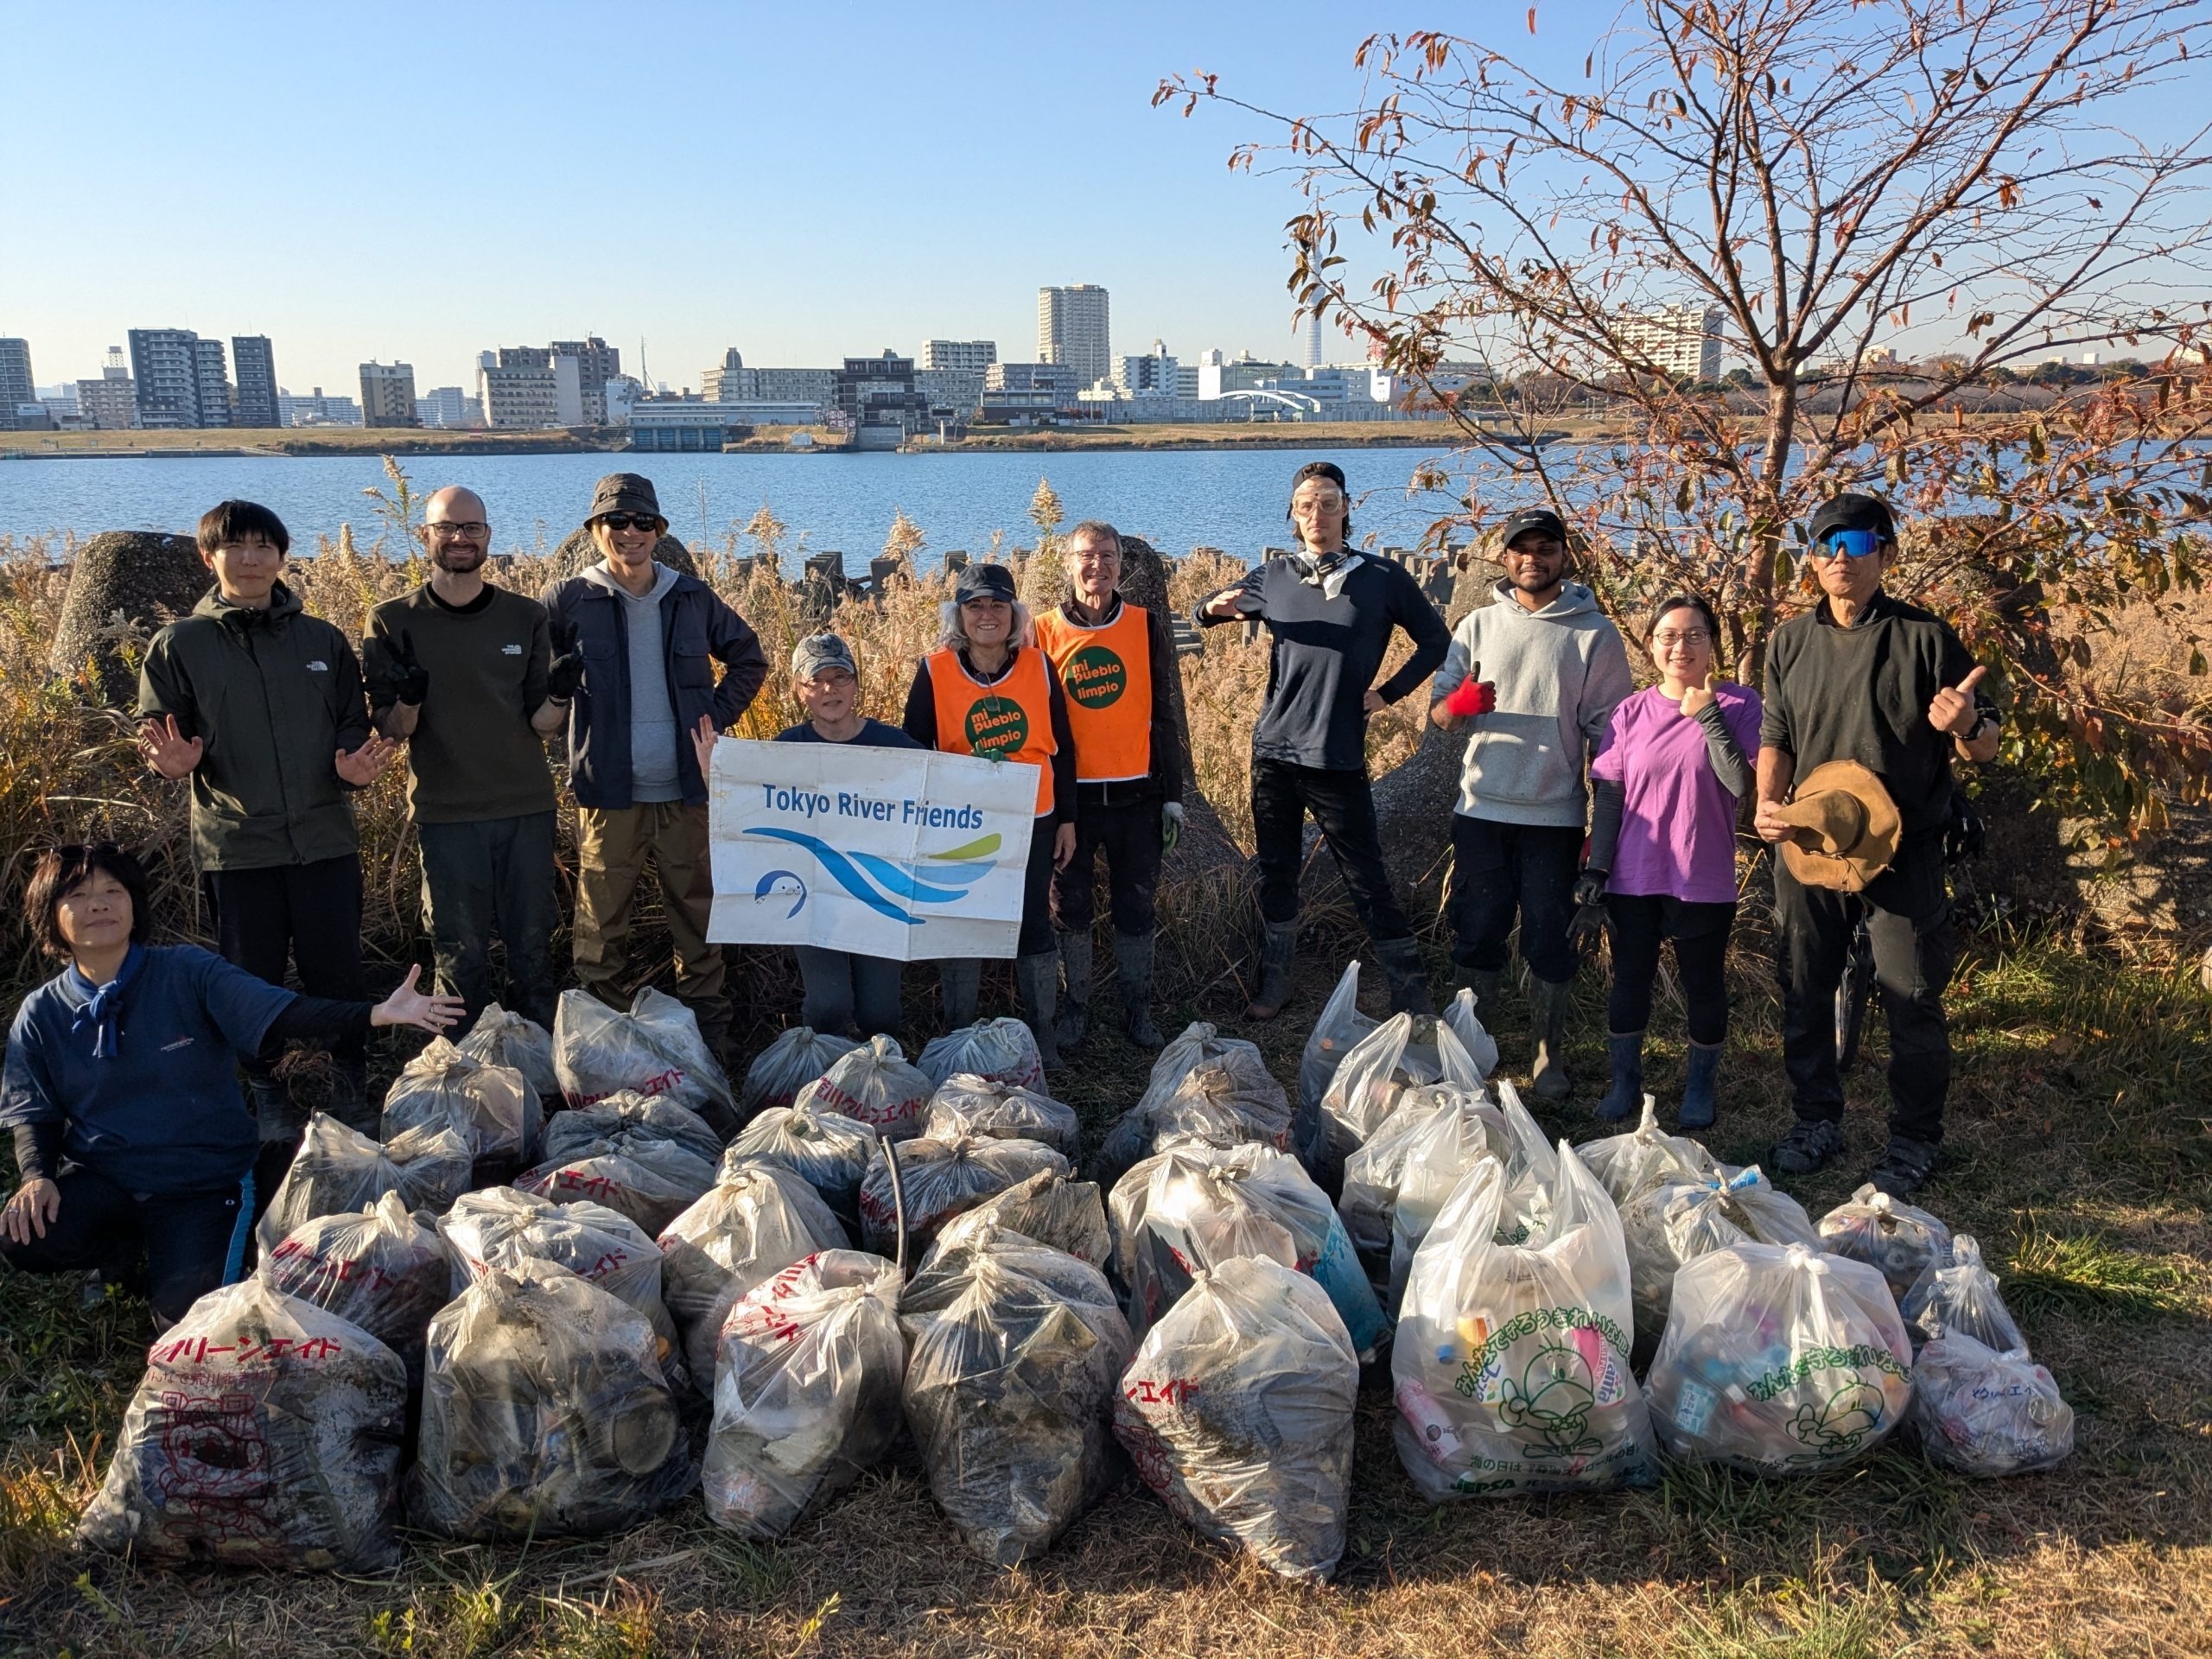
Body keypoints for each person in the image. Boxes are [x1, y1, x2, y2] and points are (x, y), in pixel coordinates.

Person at [1, 842, 461, 1326]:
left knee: (185, 1323)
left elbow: (283, 1011)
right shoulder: (41, 1012)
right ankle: (127, 1248)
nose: (99, 904)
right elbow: (35, 1111)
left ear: (134, 906)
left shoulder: (186, 972)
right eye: (77, 894)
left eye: (113, 891)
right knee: (24, 1235)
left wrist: (375, 1013)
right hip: (109, 1178)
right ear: (51, 917)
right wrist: (37, 1176)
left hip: (203, 1180)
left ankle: (220, 1230)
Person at [1755, 492, 1999, 1196]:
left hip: (1906, 848)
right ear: (1809, 559)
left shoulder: (1926, 639)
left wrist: (1965, 726)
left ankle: (1914, 1140)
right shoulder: (1790, 642)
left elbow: (1986, 747)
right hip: (1810, 843)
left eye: (1857, 545)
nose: (1840, 559)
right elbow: (1776, 738)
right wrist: (1769, 805)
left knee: (1912, 998)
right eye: (1826, 544)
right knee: (1804, 986)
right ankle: (1814, 1119)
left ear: (1886, 556)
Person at [136, 499, 400, 1138]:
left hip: (324, 838)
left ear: (283, 557)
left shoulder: (321, 641)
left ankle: (347, 1085)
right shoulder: (180, 644)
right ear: (210, 557)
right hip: (237, 846)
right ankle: (268, 1090)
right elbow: (159, 736)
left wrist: (355, 766)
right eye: (235, 547)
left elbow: (350, 725)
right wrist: (171, 765)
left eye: (263, 546)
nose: (250, 559)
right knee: (248, 981)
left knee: (335, 971)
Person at [1195, 461, 1451, 1019]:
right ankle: (1276, 981)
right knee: (1277, 869)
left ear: (1347, 509)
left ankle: (1409, 988)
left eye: (1328, 502)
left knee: (1366, 872)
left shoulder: (1381, 578)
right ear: (1292, 513)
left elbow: (1435, 642)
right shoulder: (1275, 575)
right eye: (1306, 503)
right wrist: (1210, 607)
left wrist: (1387, 695)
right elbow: (1208, 611)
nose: (1317, 513)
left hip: (1336, 753)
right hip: (1274, 752)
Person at [541, 474, 768, 1063]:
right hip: (607, 796)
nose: (630, 533)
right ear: (596, 531)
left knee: (698, 920)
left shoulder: (691, 597)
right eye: (617, 522)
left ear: (659, 532)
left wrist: (713, 720)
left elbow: (750, 658)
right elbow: (533, 692)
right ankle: (606, 1047)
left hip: (686, 794)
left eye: (643, 523)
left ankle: (707, 1045)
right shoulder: (566, 601)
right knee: (599, 928)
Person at [1428, 506, 1631, 1096]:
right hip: (1481, 810)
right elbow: (1439, 717)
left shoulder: (1595, 634)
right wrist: (1461, 705)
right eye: (1522, 548)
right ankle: (1469, 1048)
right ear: (1504, 557)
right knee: (1476, 931)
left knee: (1550, 937)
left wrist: (1603, 826)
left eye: (1546, 548)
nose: (1532, 558)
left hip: (1554, 815)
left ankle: (1549, 1056)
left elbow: (1609, 740)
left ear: (1565, 556)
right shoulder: (1477, 627)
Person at [362, 486, 568, 1031]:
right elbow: (389, 731)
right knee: (458, 951)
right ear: (424, 535)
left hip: (525, 806)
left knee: (532, 944)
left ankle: (543, 1067)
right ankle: (459, 1068)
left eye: (472, 528)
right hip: (446, 812)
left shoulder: (524, 617)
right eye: (447, 528)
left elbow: (540, 725)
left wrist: (562, 695)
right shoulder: (391, 621)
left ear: (488, 538)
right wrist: (407, 700)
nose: (460, 538)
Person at [1577, 594, 1759, 1127]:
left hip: (1702, 874)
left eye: (1695, 635)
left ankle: (1698, 1090)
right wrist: (1597, 869)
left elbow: (1739, 784)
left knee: (1704, 983)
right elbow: (1609, 798)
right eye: (1669, 636)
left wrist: (1707, 716)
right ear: (1652, 644)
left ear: (1712, 644)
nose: (1682, 646)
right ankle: (1623, 1085)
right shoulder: (1629, 712)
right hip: (1635, 874)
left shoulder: (1742, 706)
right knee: (1629, 979)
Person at [700, 632, 920, 1039]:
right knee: (829, 1007)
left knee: (881, 1017)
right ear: (799, 690)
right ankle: (823, 1073)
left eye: (840, 677)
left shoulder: (895, 745)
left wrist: (990, 775)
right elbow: (747, 813)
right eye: (815, 680)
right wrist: (714, 775)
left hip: (878, 898)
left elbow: (944, 798)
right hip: (814, 901)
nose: (828, 689)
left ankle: (876, 1076)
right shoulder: (786, 749)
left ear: (856, 684)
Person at [902, 563, 1077, 1065]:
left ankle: (1042, 1035)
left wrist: (1067, 818)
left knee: (1033, 923)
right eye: (975, 605)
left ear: (1014, 614)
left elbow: (1063, 747)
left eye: (998, 605)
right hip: (964, 824)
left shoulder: (1040, 666)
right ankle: (962, 1038)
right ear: (958, 615)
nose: (987, 615)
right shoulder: (934, 671)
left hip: (1035, 818)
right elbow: (916, 749)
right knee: (963, 921)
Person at [1034, 520, 1186, 1051]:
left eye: (1106, 555)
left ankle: (1137, 1007)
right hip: (1070, 801)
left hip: (1137, 796)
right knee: (1068, 905)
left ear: (1121, 563)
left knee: (1136, 905)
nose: (1095, 565)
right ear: (1068, 564)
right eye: (1085, 555)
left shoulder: (1144, 625)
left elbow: (1164, 712)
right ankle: (1075, 1006)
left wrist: (1174, 796)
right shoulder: (1044, 630)